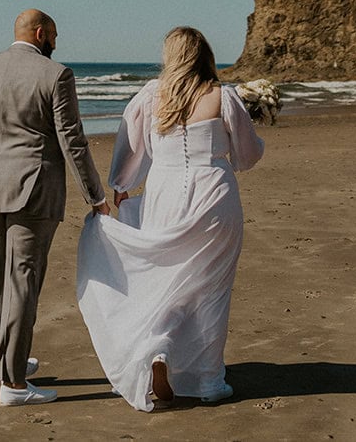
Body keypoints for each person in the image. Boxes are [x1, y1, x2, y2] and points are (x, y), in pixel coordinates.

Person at [75, 26, 265, 411]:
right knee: (211, 287)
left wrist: (121, 186)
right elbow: (247, 156)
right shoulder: (223, 96)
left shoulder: (150, 96)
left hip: (163, 194)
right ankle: (209, 381)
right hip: (213, 195)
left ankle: (158, 349)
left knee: (167, 280)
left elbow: (130, 148)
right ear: (204, 55)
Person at [0, 9, 110, 407]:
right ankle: (15, 385)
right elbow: (72, 141)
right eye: (53, 36)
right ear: (40, 34)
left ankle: (10, 362)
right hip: (33, 189)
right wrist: (96, 196)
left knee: (2, 281)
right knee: (22, 282)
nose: (56, 43)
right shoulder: (56, 74)